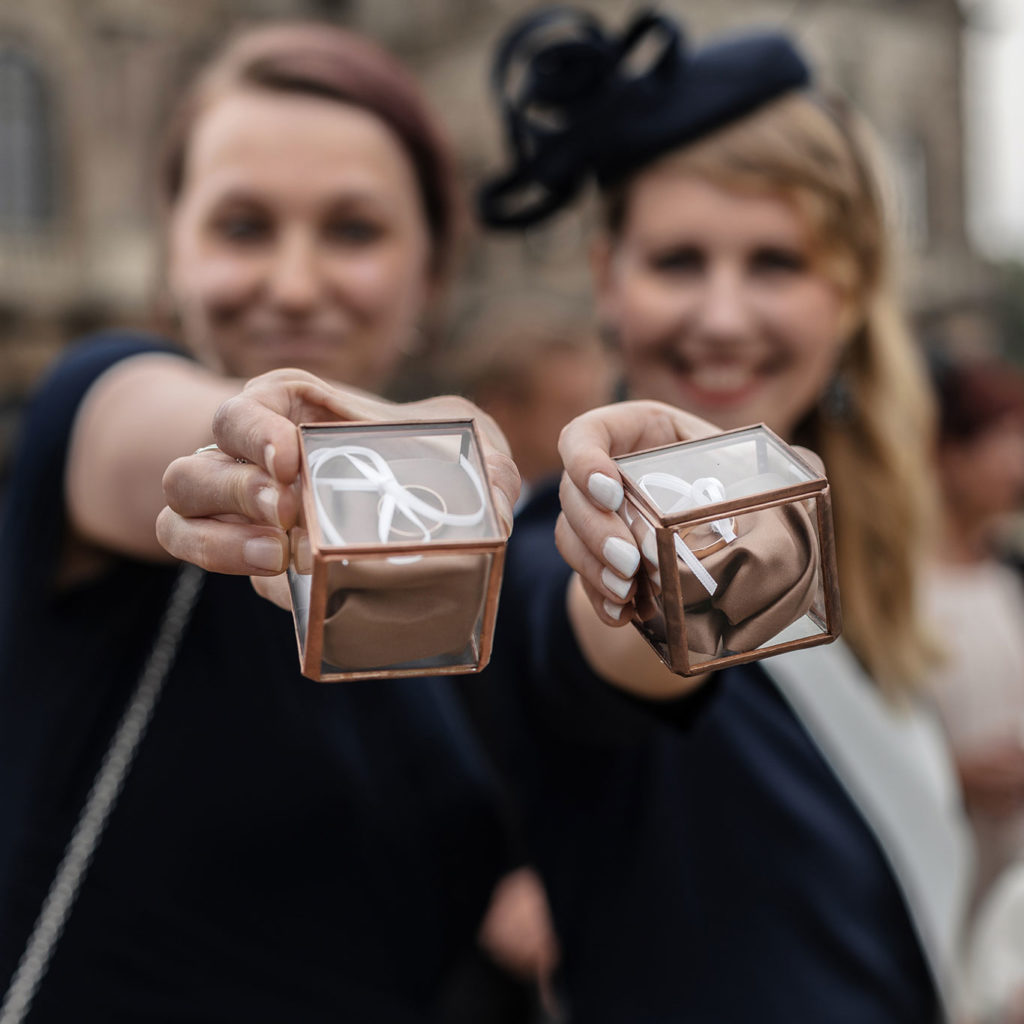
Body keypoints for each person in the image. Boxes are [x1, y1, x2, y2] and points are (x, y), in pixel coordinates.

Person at [0, 22, 521, 1023]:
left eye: (353, 230)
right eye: (242, 227)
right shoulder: (94, 403)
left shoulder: (479, 556)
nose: (292, 283)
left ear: (434, 272)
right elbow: (160, 436)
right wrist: (260, 444)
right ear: (173, 253)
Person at [475, 8, 972, 1022]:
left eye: (775, 264)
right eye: (677, 262)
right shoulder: (546, 551)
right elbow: (601, 653)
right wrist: (626, 586)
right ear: (606, 276)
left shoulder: (855, 560)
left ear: (850, 288)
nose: (722, 316)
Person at [922, 357, 1024, 910]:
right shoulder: (893, 599)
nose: (1017, 460)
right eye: (1000, 439)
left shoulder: (1009, 575)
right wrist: (951, 776)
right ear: (946, 454)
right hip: (944, 883)